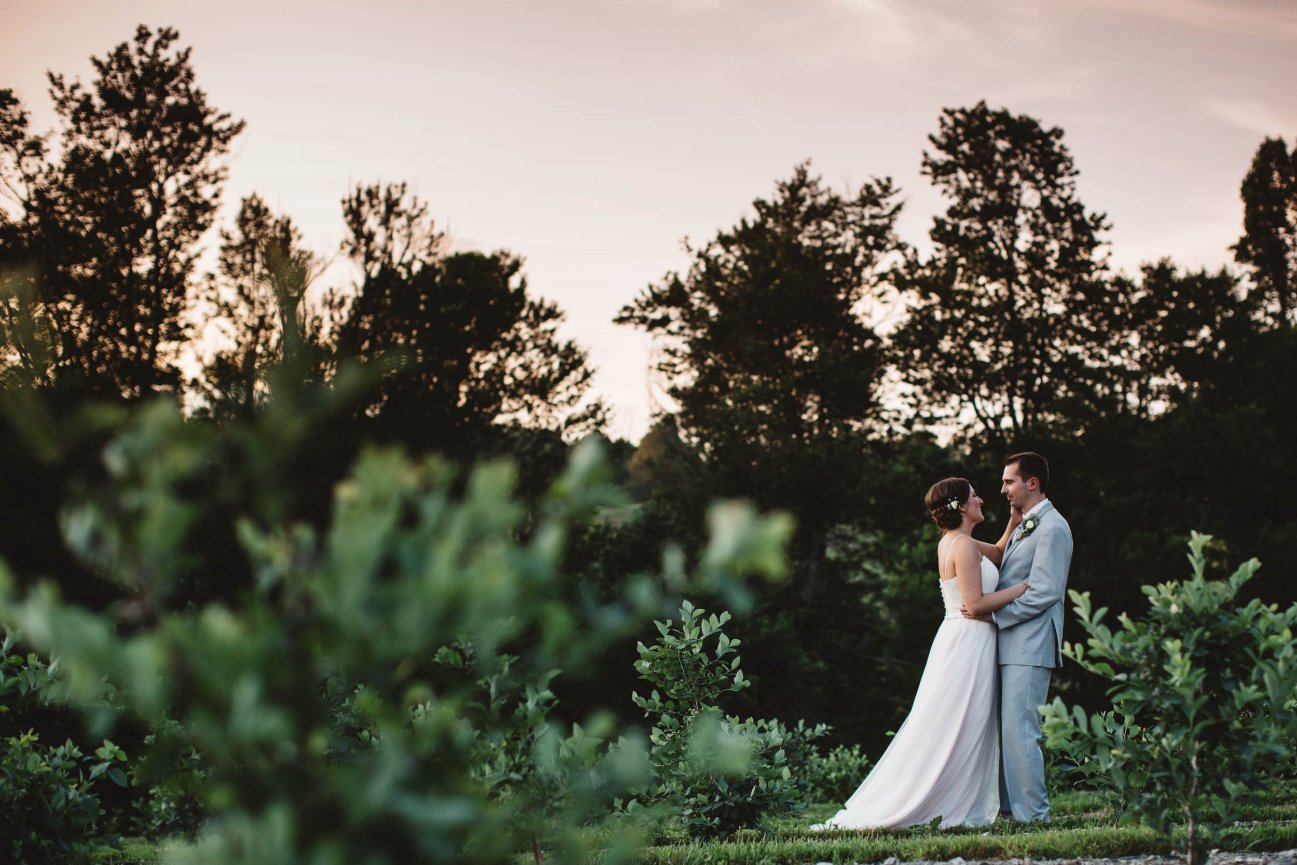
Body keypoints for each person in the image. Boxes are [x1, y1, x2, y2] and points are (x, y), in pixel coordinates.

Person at [812, 477, 1026, 830]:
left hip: (961, 637)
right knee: (961, 722)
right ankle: (945, 801)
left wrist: (1013, 523)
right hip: (969, 641)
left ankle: (955, 795)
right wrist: (1021, 589)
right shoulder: (963, 547)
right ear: (959, 505)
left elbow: (1000, 553)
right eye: (974, 496)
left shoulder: (958, 543)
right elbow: (974, 603)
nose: (982, 500)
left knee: (959, 721)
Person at [980, 451, 1073, 823]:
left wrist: (995, 615)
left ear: (1031, 483)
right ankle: (1007, 810)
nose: (1003, 489)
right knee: (1007, 732)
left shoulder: (1053, 527)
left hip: (1030, 644)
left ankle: (1033, 816)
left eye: (1009, 481)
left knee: (1022, 731)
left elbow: (1045, 591)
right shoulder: (1025, 523)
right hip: (1010, 644)